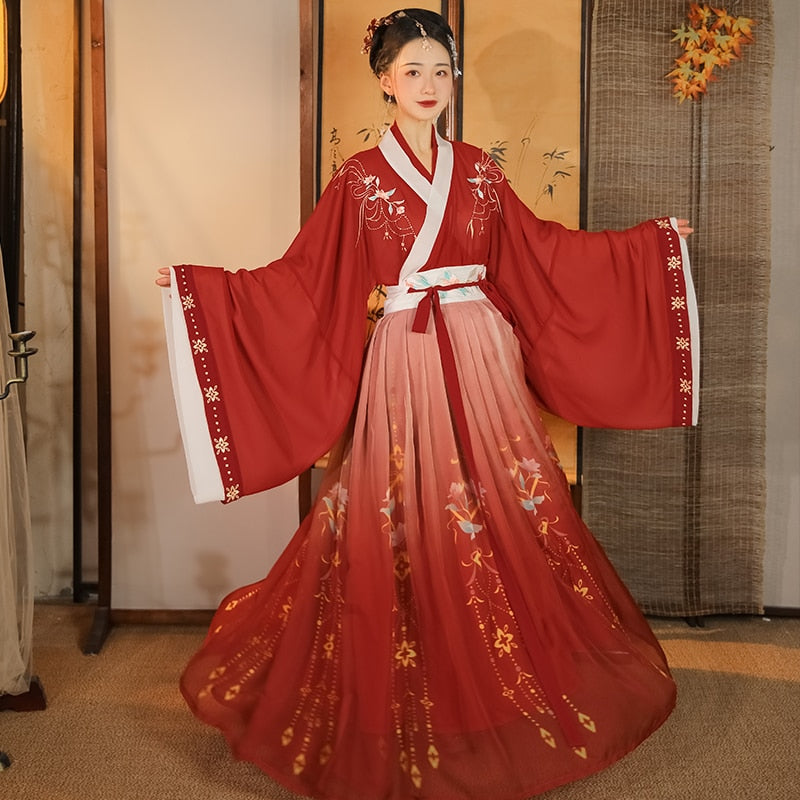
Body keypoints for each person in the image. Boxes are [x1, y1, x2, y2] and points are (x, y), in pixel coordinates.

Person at [157, 9, 698, 799]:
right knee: (398, 514)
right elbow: (303, 278)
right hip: (404, 350)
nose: (429, 86)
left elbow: (543, 252)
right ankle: (406, 686)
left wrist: (650, 245)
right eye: (412, 71)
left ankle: (499, 683)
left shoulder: (479, 169)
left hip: (481, 349)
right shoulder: (357, 179)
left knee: (503, 509)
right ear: (383, 80)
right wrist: (203, 290)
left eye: (441, 71)